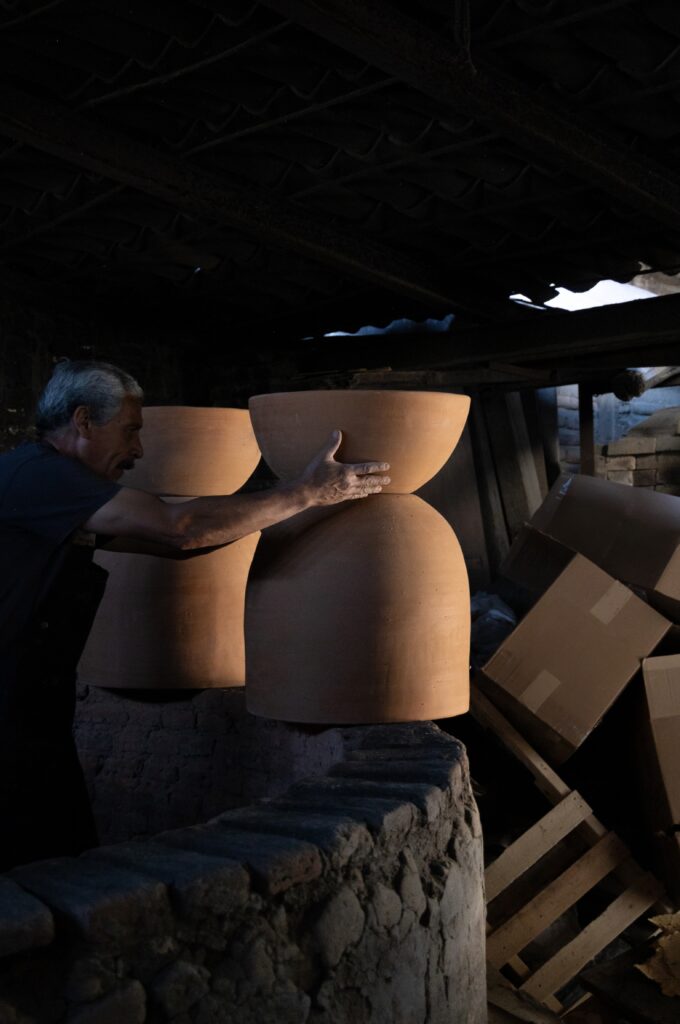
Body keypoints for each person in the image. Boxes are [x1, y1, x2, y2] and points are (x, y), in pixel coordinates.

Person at [0, 360, 390, 869]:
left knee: (59, 855)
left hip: (30, 712)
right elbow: (178, 527)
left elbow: (181, 545)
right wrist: (304, 492)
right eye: (131, 431)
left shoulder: (51, 486)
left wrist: (284, 510)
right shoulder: (41, 476)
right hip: (10, 720)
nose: (138, 451)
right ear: (82, 421)